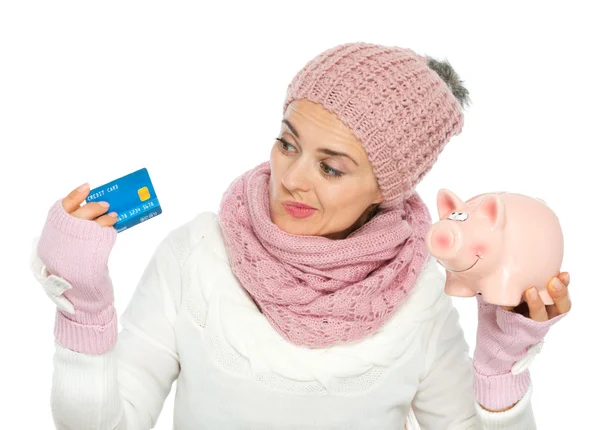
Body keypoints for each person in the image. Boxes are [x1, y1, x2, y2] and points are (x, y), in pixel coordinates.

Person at [31, 42, 571, 429]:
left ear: (386, 190)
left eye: (331, 168)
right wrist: (84, 308)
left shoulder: (419, 298)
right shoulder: (195, 256)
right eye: (288, 144)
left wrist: (500, 371)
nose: (292, 178)